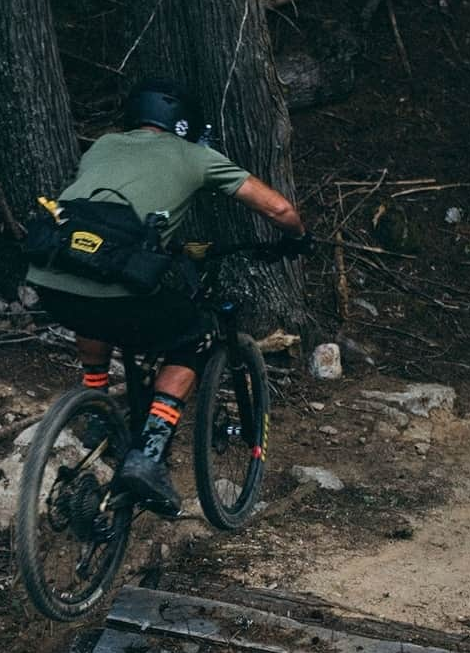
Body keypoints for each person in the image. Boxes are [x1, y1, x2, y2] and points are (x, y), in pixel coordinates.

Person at [26, 77, 310, 516]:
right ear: (185, 125)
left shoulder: (103, 145)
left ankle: (96, 405)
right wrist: (297, 239)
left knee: (93, 307)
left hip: (52, 278)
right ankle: (149, 454)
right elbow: (279, 209)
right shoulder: (196, 154)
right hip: (116, 286)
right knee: (193, 336)